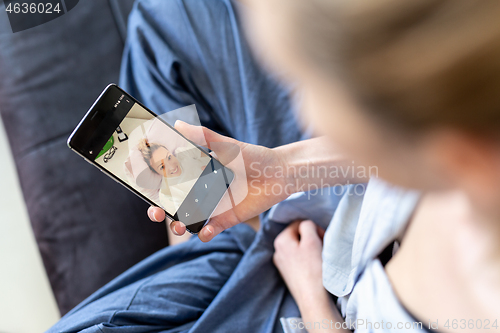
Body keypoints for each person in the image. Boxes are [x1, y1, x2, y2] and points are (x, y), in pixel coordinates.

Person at [48, 0, 500, 332]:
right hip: (306, 225)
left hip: (307, 279)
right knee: (167, 15)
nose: (303, 115)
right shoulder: (465, 160)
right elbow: (410, 147)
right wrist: (283, 169)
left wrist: (314, 305)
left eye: (308, 87)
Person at [137, 138, 210, 212]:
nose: (172, 167)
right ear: (156, 172)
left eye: (169, 157)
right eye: (162, 167)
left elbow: (210, 157)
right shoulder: (166, 195)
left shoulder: (182, 152)